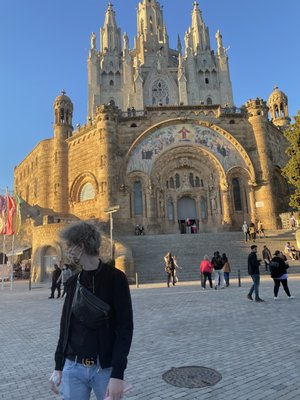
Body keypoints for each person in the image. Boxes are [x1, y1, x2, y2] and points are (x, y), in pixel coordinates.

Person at [52, 221, 133, 400]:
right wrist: (59, 366)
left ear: (81, 246)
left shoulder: (115, 279)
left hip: (103, 369)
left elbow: (125, 328)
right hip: (73, 368)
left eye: (69, 246)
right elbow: (65, 326)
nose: (67, 251)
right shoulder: (73, 282)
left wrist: (117, 374)